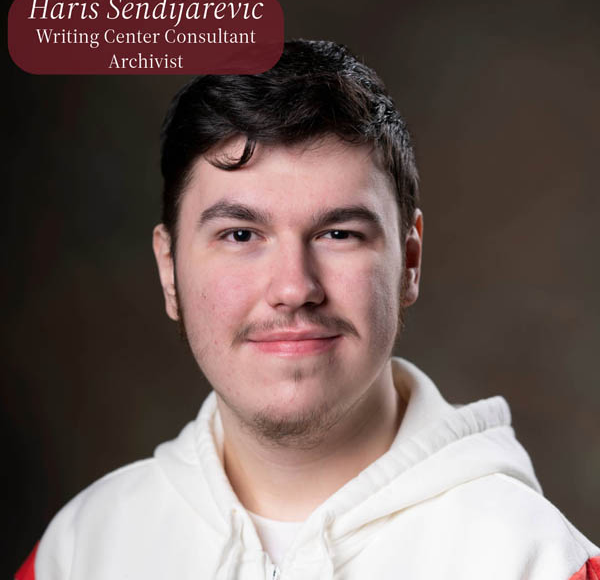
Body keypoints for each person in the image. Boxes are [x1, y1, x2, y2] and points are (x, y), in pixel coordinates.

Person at [17, 39, 598, 580]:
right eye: (241, 235)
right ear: (169, 269)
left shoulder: (535, 560)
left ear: (410, 261)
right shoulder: (81, 550)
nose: (294, 288)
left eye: (339, 234)